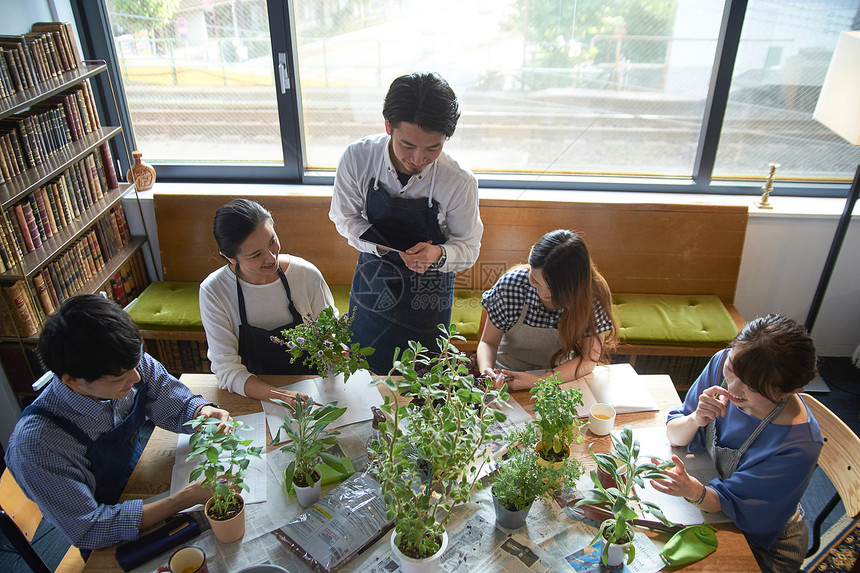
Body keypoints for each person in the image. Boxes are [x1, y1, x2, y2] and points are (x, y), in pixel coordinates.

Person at [4, 294, 230, 551]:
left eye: (136, 364)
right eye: (120, 377)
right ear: (72, 381)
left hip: (140, 479)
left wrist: (201, 411)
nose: (135, 377)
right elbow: (92, 529)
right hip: (110, 530)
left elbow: (171, 399)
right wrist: (184, 499)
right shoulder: (38, 447)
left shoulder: (121, 362)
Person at [329, 72, 482, 374]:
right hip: (374, 278)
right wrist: (383, 248)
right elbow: (344, 217)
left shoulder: (459, 180)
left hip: (429, 292)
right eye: (407, 145)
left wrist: (437, 255)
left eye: (433, 148)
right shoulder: (358, 158)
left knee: (421, 384)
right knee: (362, 375)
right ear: (388, 126)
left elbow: (469, 247)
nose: (418, 159)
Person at [651, 314, 822, 573]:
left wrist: (693, 490)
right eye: (732, 368)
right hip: (711, 496)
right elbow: (675, 436)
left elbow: (736, 507)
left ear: (790, 390)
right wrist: (696, 418)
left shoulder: (798, 445)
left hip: (761, 541)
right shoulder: (724, 361)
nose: (733, 388)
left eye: (752, 387)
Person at [200, 198, 336, 403]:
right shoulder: (214, 291)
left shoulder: (306, 274)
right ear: (229, 258)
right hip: (253, 394)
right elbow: (227, 369)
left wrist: (335, 349)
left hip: (315, 388)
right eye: (256, 255)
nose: (271, 258)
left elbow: (329, 332)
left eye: (272, 241)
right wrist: (281, 397)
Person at [477, 229, 615, 390]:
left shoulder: (592, 295)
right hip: (507, 375)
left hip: (559, 377)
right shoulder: (512, 285)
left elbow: (589, 359)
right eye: (535, 280)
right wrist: (486, 370)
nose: (542, 293)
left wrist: (540, 381)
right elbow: (488, 342)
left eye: (553, 288)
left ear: (574, 285)